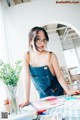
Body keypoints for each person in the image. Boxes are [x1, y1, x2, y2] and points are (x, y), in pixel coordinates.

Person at [19, 26, 80, 108]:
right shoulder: (26, 56)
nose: (42, 43)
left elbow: (59, 76)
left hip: (59, 94)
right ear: (30, 41)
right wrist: (26, 99)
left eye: (44, 40)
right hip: (43, 97)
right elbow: (26, 78)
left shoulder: (51, 55)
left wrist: (68, 90)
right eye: (38, 39)